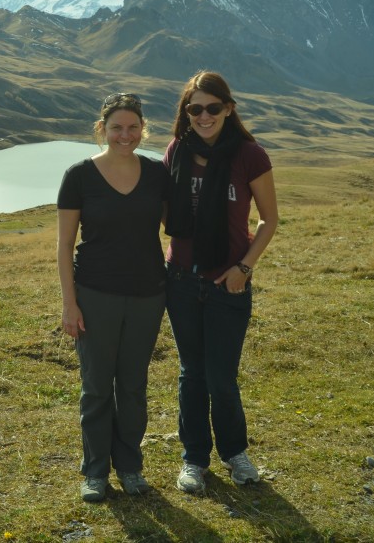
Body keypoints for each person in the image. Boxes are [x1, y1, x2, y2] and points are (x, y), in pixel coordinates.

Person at [163, 70, 278, 494]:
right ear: (186, 113)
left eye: (213, 108)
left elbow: (269, 220)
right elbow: (158, 211)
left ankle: (235, 453)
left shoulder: (250, 155)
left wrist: (243, 269)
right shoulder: (176, 151)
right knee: (192, 373)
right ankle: (194, 459)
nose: (204, 116)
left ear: (228, 109)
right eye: (196, 109)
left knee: (222, 377)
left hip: (228, 283)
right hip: (180, 280)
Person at [57, 92, 168, 502]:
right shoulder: (79, 176)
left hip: (147, 294)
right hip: (95, 294)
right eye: (117, 128)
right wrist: (70, 303)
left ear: (143, 130)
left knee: (134, 386)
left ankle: (131, 467)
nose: (126, 135)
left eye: (133, 127)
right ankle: (96, 471)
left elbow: (179, 225)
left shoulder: (157, 174)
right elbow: (64, 245)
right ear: (102, 130)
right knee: (97, 386)